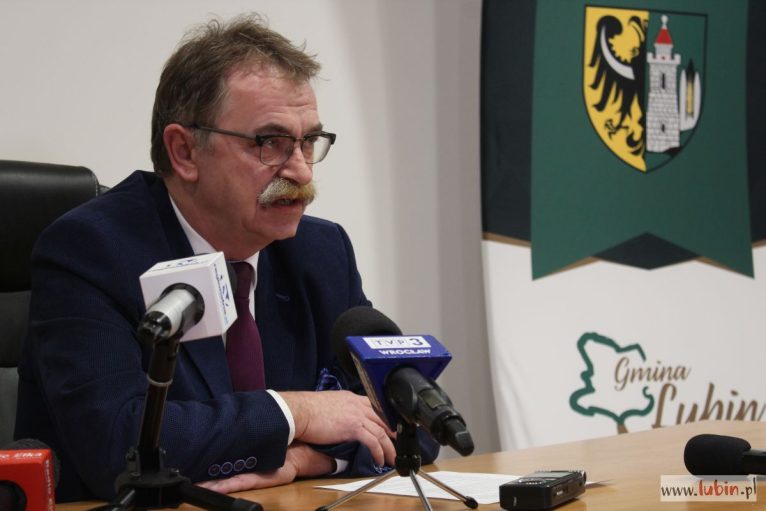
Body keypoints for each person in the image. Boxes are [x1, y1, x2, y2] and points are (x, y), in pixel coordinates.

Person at [14, 14, 438, 502]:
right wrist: (296, 413)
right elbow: (120, 444)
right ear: (184, 152)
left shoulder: (320, 253)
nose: (301, 171)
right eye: (271, 143)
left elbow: (416, 425)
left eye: (308, 142)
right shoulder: (92, 251)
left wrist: (305, 459)